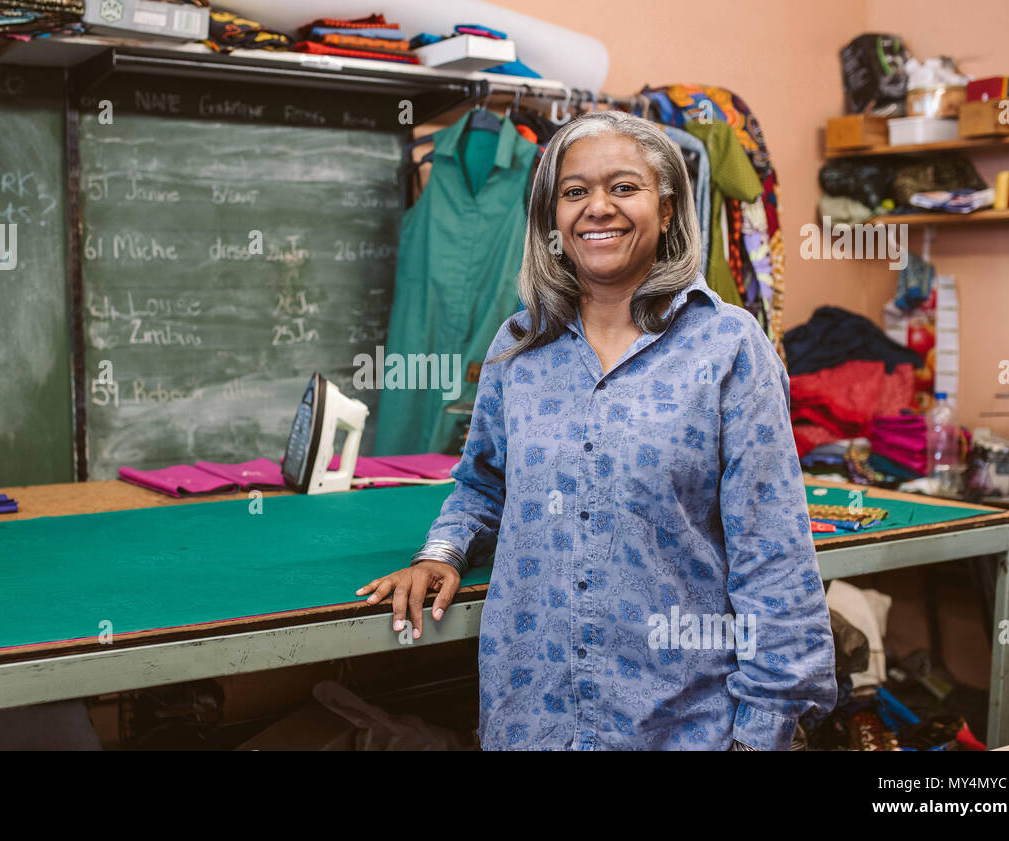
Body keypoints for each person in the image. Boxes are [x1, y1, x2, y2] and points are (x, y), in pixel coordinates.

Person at [356, 110, 836, 750]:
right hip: (532, 721)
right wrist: (440, 552)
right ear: (551, 217)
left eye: (624, 187)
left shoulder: (728, 346)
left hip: (682, 726)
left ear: (667, 209)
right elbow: (483, 483)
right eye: (574, 192)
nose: (597, 208)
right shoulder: (519, 346)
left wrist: (763, 730)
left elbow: (773, 554)